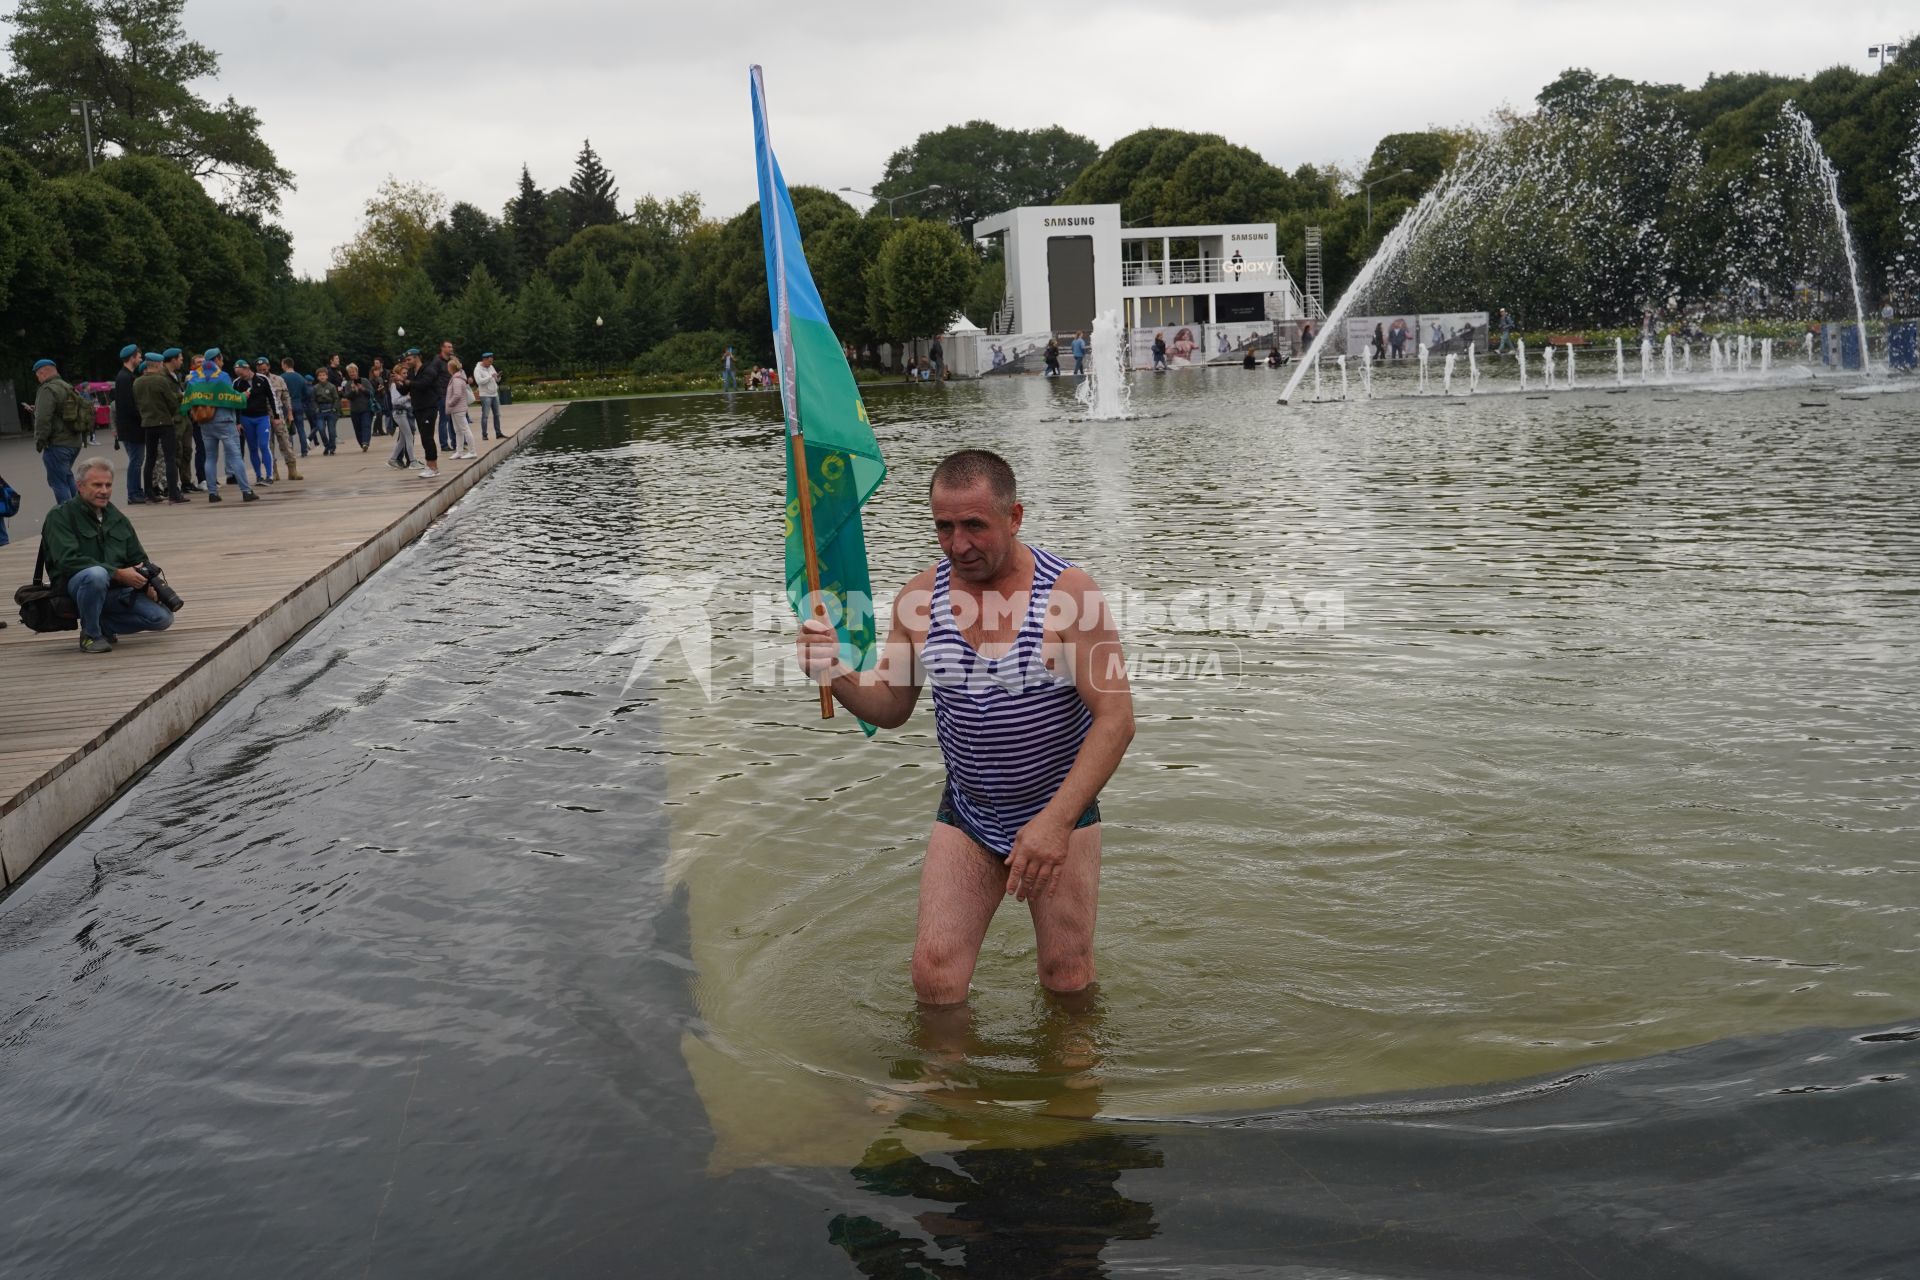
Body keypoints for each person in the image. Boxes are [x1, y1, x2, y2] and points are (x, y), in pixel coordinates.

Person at [795, 449, 1134, 1006]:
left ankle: (1074, 1087)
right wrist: (837, 671)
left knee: (1066, 973)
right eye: (944, 527)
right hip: (969, 810)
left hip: (1060, 813)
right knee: (935, 974)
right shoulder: (919, 599)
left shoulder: (1070, 595)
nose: (958, 545)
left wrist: (1054, 823)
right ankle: (944, 1086)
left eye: (974, 525)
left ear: (1015, 516)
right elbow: (891, 706)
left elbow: (1117, 720)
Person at [40, 456, 178, 654]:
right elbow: (67, 561)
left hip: (116, 591)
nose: (104, 491)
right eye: (97, 485)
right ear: (80, 486)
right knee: (96, 574)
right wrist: (117, 573)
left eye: (108, 485)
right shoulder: (61, 516)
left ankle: (104, 624)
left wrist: (149, 584)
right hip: (77, 589)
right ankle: (90, 635)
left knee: (162, 618)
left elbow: (138, 557)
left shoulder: (117, 517)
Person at [182, 349, 255, 503]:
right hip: (224, 420)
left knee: (210, 457)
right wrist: (244, 396)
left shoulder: (193, 376)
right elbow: (229, 396)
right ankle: (246, 491)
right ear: (217, 359)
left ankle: (213, 493)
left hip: (204, 421)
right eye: (221, 360)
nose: (222, 362)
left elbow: (189, 395)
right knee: (235, 455)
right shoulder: (222, 376)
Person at [31, 358, 89, 504]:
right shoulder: (67, 386)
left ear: (42, 372)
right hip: (74, 442)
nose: (38, 378)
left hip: (58, 443)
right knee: (67, 477)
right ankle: (82, 512)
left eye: (37, 375)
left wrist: (40, 441)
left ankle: (68, 519)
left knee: (58, 483)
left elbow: (43, 419)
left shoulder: (47, 389)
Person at [134, 352, 188, 503]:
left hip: (147, 423)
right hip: (164, 422)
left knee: (150, 459)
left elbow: (138, 403)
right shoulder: (161, 381)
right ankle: (173, 494)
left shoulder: (137, 382)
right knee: (170, 458)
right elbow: (171, 402)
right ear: (158, 364)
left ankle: (149, 493)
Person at [111, 343, 147, 504]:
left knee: (137, 460)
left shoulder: (126, 376)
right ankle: (133, 493)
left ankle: (137, 491)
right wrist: (143, 418)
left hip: (130, 427)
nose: (140, 359)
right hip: (132, 427)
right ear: (132, 358)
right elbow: (128, 405)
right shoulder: (125, 378)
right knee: (136, 461)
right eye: (139, 356)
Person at [259, 358, 302, 481]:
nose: (263, 371)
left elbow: (286, 397)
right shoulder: (256, 380)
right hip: (263, 416)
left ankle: (292, 470)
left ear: (269, 367)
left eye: (265, 368)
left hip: (278, 415)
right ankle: (273, 471)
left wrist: (289, 413)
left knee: (285, 442)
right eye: (260, 369)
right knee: (268, 444)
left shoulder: (278, 379)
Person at [411, 341, 448, 478]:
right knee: (424, 438)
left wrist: (409, 382)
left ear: (416, 357)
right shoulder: (411, 372)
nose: (407, 362)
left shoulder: (428, 369)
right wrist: (399, 382)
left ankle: (433, 467)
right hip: (418, 408)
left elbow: (422, 385)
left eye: (409, 359)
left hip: (429, 408)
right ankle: (429, 465)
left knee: (428, 437)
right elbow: (405, 390)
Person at [234, 359, 274, 485]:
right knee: (252, 448)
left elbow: (272, 397)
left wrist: (277, 416)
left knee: (263, 445)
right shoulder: (237, 383)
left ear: (247, 369)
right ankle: (258, 476)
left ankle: (269, 475)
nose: (241, 376)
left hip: (262, 417)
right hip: (246, 418)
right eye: (238, 374)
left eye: (242, 373)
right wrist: (237, 422)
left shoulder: (262, 379)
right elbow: (234, 403)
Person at [279, 358, 312, 456]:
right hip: (298, 404)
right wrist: (303, 403)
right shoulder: (301, 377)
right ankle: (304, 450)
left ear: (285, 365)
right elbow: (306, 393)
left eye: (282, 364)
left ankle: (291, 451)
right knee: (301, 428)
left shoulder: (281, 378)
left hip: (286, 406)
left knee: (288, 430)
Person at [444, 357, 476, 458]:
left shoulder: (456, 379)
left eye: (448, 367)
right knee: (458, 430)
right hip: (457, 408)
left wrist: (450, 403)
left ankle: (472, 451)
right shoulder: (458, 377)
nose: (447, 369)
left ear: (451, 368)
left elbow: (457, 394)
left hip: (458, 408)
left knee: (465, 429)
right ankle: (459, 451)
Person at [343, 363, 374, 451]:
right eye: (350, 372)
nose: (352, 374)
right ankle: (362, 443)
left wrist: (362, 389)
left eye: (353, 371)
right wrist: (353, 391)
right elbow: (347, 396)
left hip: (366, 408)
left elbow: (371, 393)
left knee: (366, 425)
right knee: (357, 428)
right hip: (354, 410)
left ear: (357, 372)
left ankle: (365, 443)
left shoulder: (364, 381)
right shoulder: (348, 384)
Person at [474, 353, 505, 439]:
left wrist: (498, 377)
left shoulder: (491, 367)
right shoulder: (477, 369)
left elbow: (496, 380)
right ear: (484, 360)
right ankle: (484, 435)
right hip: (485, 395)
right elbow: (479, 381)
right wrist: (489, 376)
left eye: (492, 361)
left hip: (494, 394)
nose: (491, 363)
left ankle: (498, 433)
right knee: (485, 415)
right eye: (489, 361)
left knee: (497, 414)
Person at [311, 366, 340, 455]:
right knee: (321, 429)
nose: (322, 377)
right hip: (320, 410)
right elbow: (313, 400)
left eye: (324, 375)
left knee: (331, 430)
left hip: (331, 409)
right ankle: (326, 445)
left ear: (327, 376)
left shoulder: (331, 387)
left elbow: (336, 398)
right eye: (320, 375)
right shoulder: (315, 388)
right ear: (317, 377)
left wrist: (335, 408)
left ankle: (332, 447)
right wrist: (316, 408)